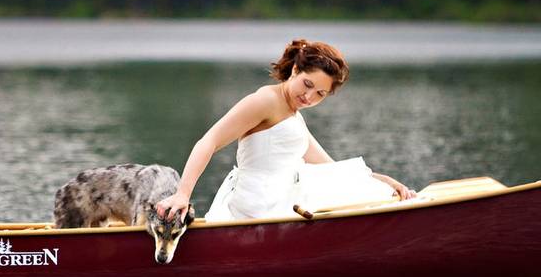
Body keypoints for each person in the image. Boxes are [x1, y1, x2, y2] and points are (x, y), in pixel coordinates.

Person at [157, 39, 415, 222]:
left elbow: (329, 167)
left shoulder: (294, 116)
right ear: (294, 70)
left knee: (361, 190)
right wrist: (183, 194)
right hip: (259, 202)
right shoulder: (266, 101)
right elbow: (209, 140)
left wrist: (385, 182)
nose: (309, 96)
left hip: (281, 196)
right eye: (307, 84)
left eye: (320, 94)